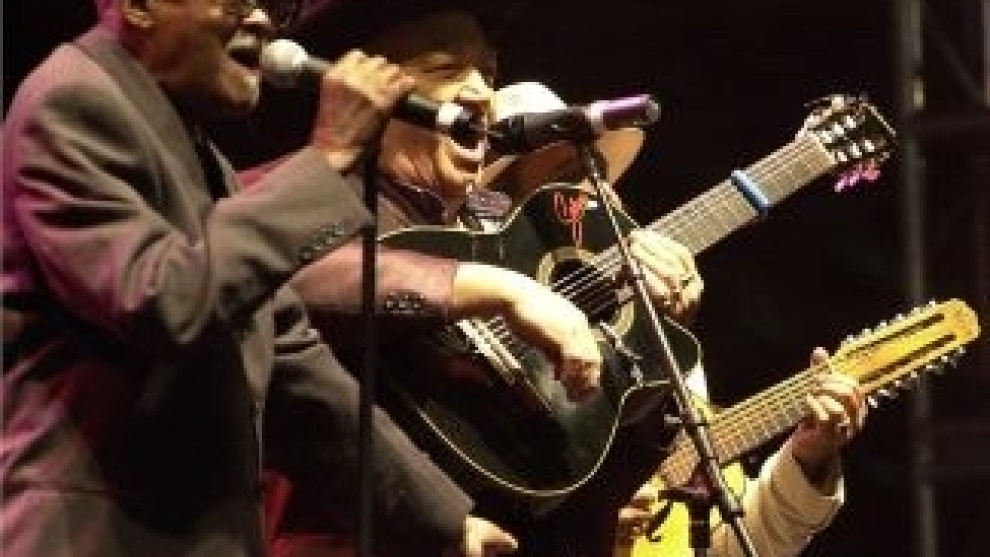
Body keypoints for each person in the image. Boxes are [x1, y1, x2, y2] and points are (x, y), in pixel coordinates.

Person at [253, 4, 866, 556]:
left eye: (488, 72)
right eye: (446, 68)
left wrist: (652, 341)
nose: (481, 92)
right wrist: (498, 289)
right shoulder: (297, 193)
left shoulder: (489, 236)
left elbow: (583, 485)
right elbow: (286, 280)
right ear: (365, 86)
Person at [1, 1, 603, 556]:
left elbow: (290, 362)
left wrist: (443, 521)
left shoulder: (195, 152)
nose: (263, 21)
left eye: (270, 5)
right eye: (240, 1)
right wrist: (329, 156)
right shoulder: (74, 102)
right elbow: (162, 300)